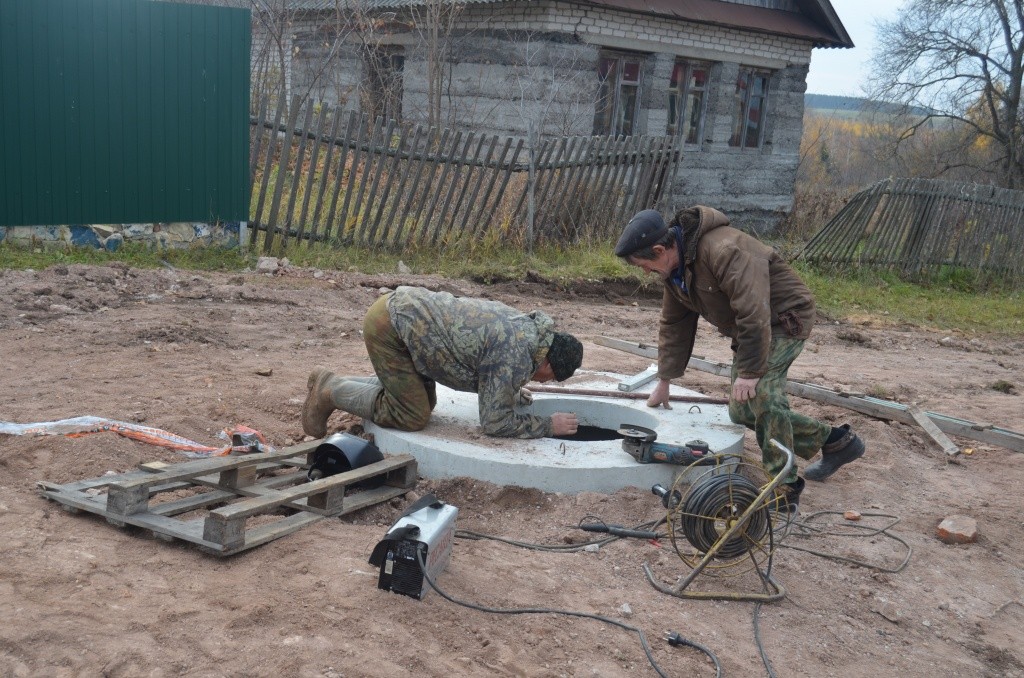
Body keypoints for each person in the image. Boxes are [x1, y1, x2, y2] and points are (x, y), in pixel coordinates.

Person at [614, 207, 865, 511]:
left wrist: (749, 371)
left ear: (659, 249)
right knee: (741, 412)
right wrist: (664, 380)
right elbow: (674, 325)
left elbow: (753, 311)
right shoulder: (676, 270)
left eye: (644, 265)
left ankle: (783, 489)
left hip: (782, 320)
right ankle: (837, 442)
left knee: (763, 397)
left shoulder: (724, 250)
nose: (645, 273)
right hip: (753, 327)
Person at [301, 285, 583, 440]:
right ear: (548, 364)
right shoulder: (516, 355)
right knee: (412, 415)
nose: (543, 381)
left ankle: (335, 381)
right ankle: (330, 392)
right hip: (391, 329)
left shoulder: (527, 332)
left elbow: (487, 366)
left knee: (425, 400)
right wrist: (547, 426)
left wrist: (508, 389)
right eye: (551, 378)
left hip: (402, 314)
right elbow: (495, 423)